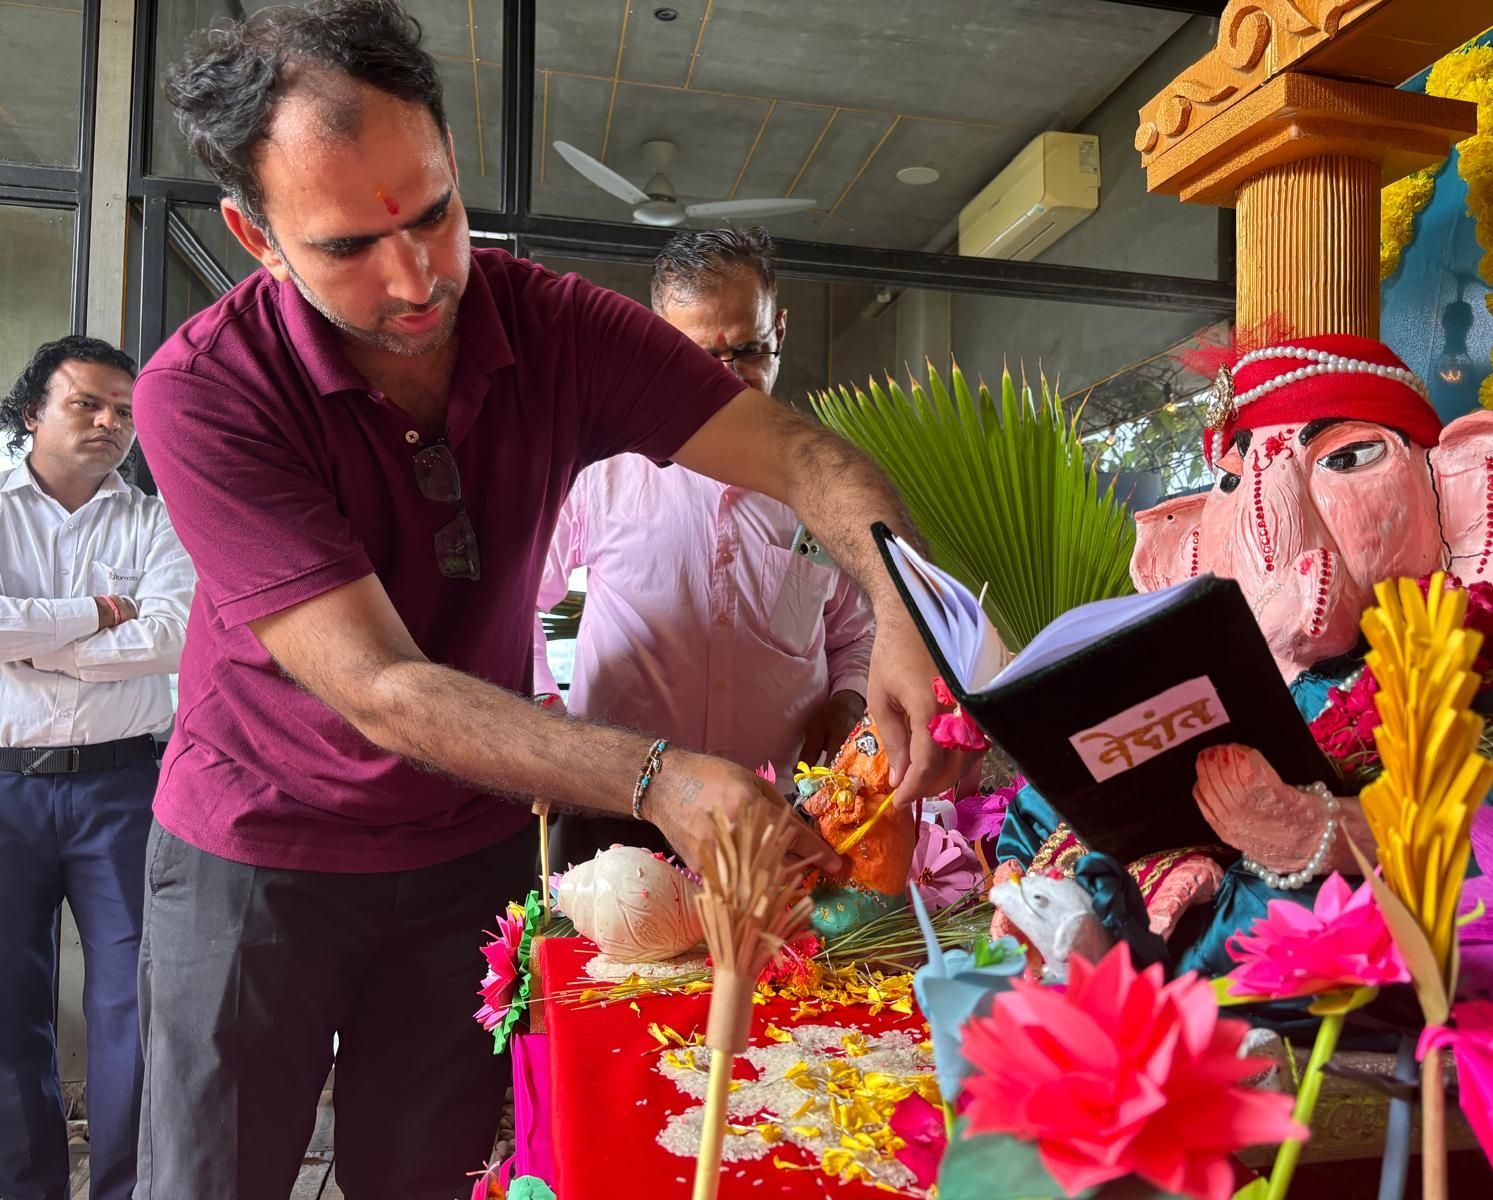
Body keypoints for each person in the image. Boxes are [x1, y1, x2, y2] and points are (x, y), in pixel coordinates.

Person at [134, 4, 955, 1197]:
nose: (417, 279)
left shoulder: (552, 326)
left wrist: (905, 605)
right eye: (347, 246)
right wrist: (656, 776)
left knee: (434, 1176)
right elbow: (381, 687)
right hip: (259, 849)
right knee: (214, 1178)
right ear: (255, 236)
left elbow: (803, 458)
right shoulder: (208, 392)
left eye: (433, 214)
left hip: (467, 844)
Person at [534, 227, 876, 868]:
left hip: (778, 819)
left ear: (779, 331)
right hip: (619, 815)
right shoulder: (601, 473)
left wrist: (847, 700)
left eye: (747, 351)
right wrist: (544, 718)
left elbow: (855, 633)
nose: (725, 381)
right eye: (695, 357)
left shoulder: (824, 487)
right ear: (654, 344)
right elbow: (519, 599)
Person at [0, 336, 194, 1200]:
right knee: (5, 1007)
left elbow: (175, 633)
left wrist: (40, 646)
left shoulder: (156, 520)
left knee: (137, 1006)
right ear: (32, 411)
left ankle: (126, 1188)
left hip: (125, 788)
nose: (111, 423)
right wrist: (100, 612)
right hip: (3, 785)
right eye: (88, 403)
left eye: (125, 410)